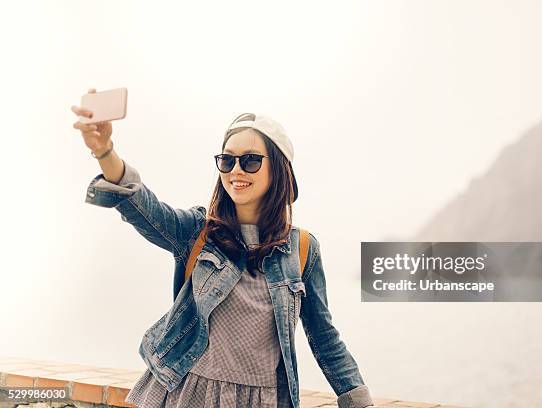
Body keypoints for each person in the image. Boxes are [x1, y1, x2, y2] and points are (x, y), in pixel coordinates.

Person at [71, 88, 374, 408]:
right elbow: (144, 207)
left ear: (280, 169)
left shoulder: (301, 249)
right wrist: (105, 151)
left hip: (263, 400)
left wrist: (359, 400)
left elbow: (324, 338)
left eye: (251, 160)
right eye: (227, 160)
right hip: (187, 395)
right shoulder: (197, 233)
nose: (236, 170)